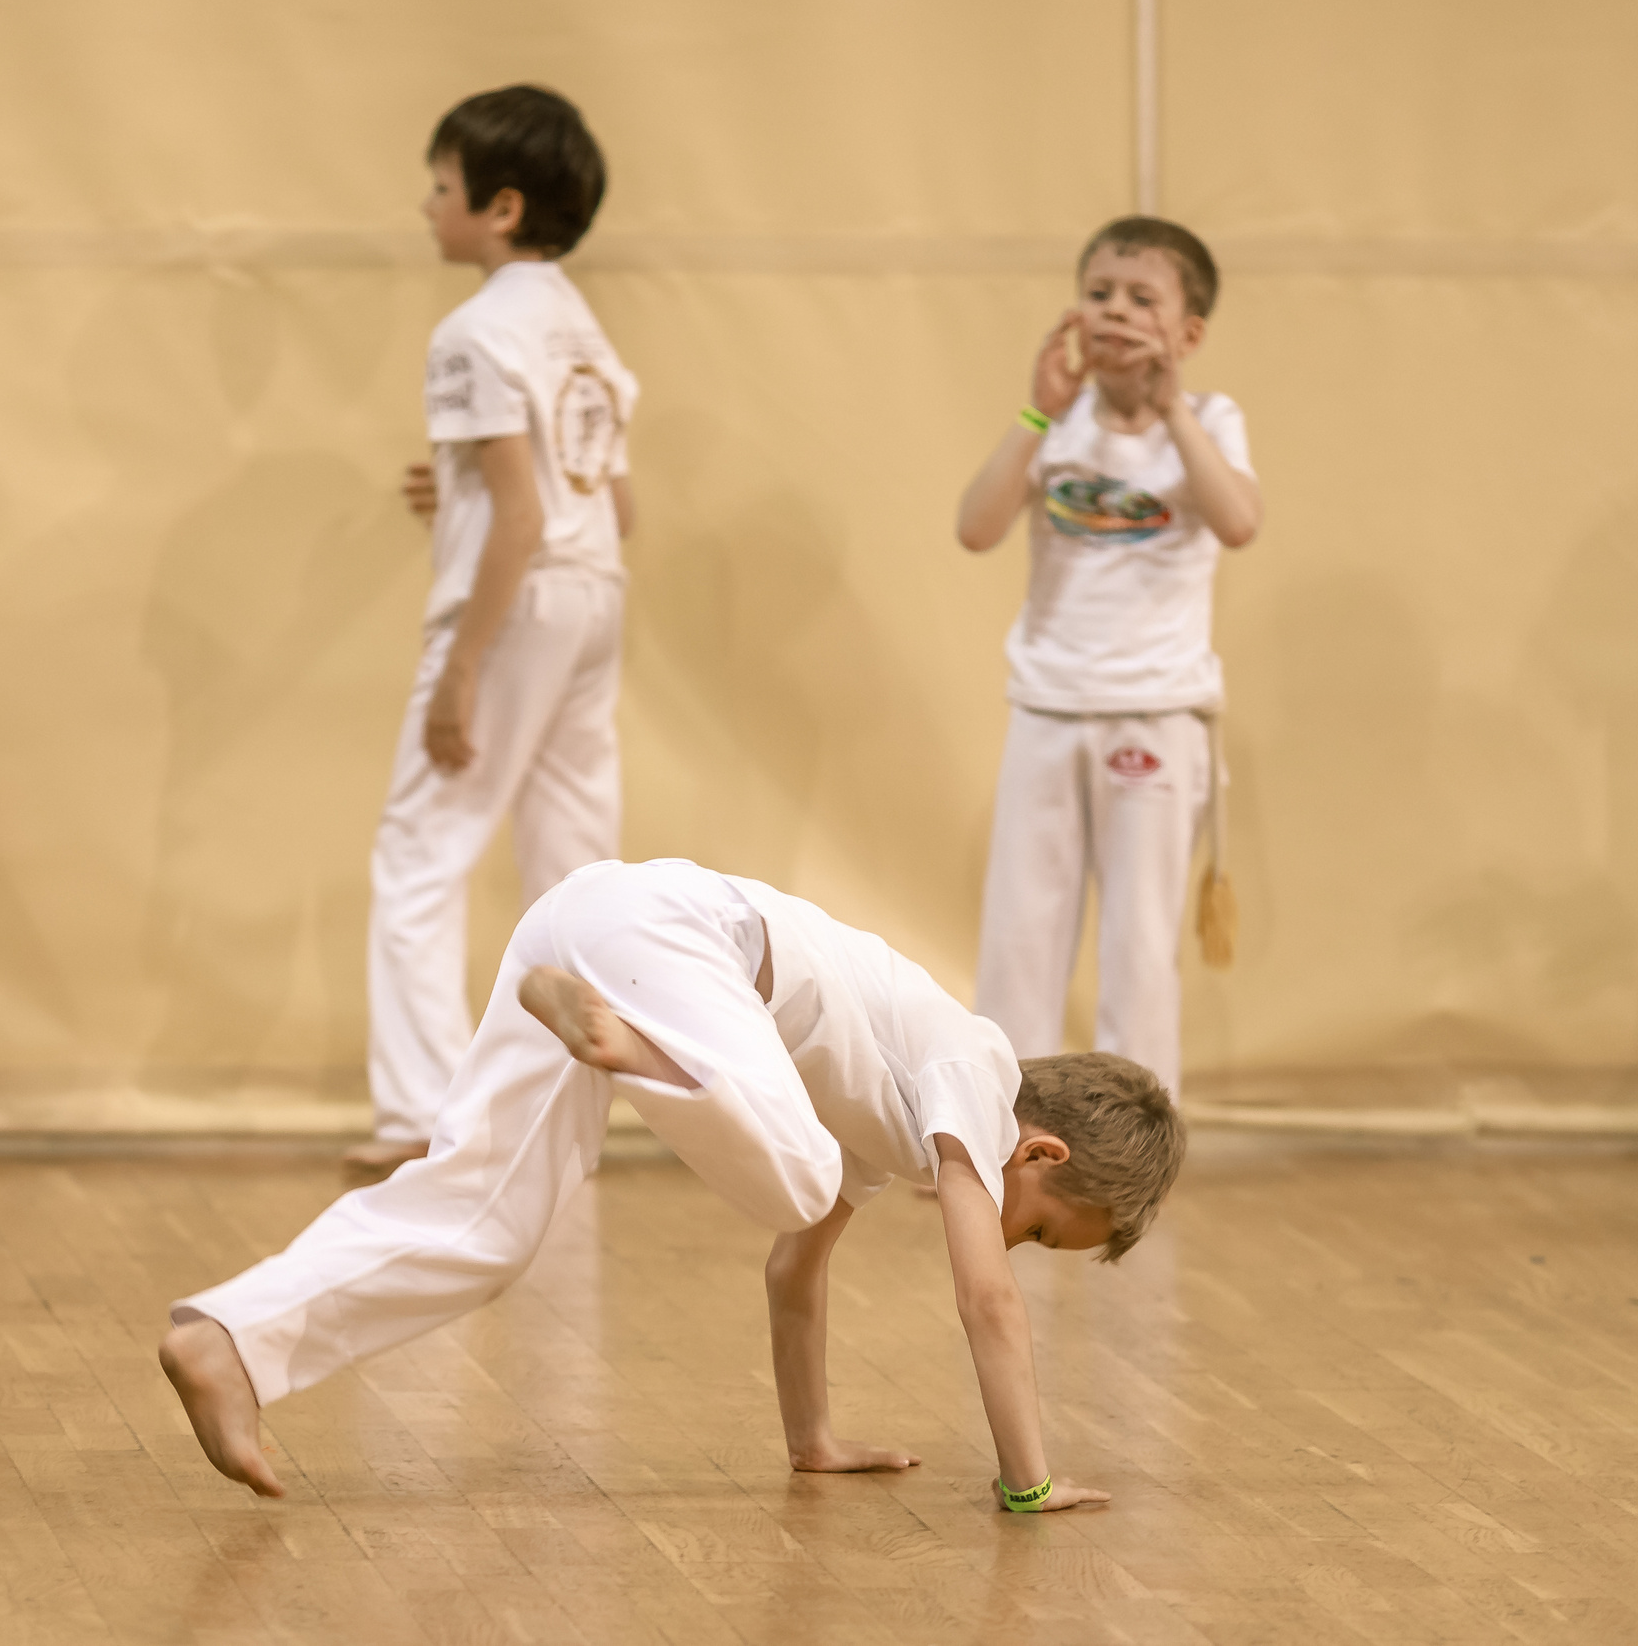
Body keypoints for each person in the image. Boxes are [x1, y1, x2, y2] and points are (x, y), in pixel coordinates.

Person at [163, 858, 1184, 1511]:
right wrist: (1026, 1483)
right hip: (671, 941)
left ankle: (227, 1342)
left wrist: (812, 1440)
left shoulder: (896, 1126)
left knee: (488, 1223)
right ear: (1038, 1154)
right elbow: (984, 1301)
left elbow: (793, 1275)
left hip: (580, 925)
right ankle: (625, 1045)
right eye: (1044, 1233)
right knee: (797, 1175)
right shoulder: (976, 1075)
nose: (1014, 1248)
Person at [353, 86, 641, 1175]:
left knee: (422, 853)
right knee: (572, 863)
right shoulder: (581, 329)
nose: (428, 206)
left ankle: (424, 1118)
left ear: (502, 207)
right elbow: (607, 504)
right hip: (594, 596)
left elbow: (520, 517)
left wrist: (461, 668)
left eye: (441, 187)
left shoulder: (472, 333)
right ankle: (560, 1114)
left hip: (516, 604)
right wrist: (470, 489)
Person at [953, 217, 1262, 1098]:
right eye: (1098, 294)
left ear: (1189, 332)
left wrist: (1170, 411)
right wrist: (1035, 411)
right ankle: (993, 1129)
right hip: (1050, 707)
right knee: (1021, 934)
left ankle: (1133, 1150)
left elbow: (1238, 520)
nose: (1115, 312)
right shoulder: (1054, 422)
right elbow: (975, 528)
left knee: (1137, 946)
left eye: (1141, 298)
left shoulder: (1209, 421)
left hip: (1156, 717)